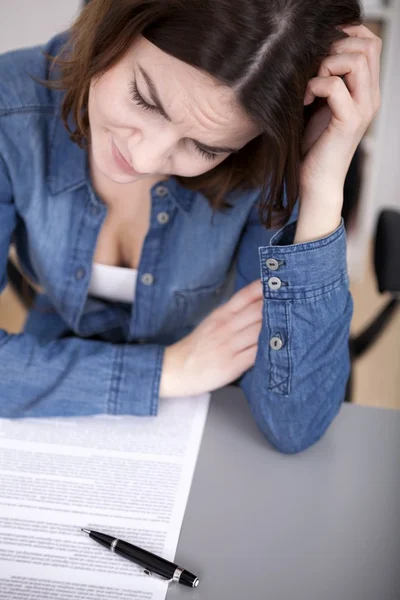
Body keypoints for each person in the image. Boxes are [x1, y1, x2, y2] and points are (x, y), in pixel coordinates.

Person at [0, 0, 381, 453]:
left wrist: (321, 190)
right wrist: (169, 369)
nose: (142, 160)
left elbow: (294, 424)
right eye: (143, 98)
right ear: (113, 24)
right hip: (125, 376)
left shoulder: (269, 158)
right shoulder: (12, 108)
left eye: (204, 147)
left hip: (208, 409)